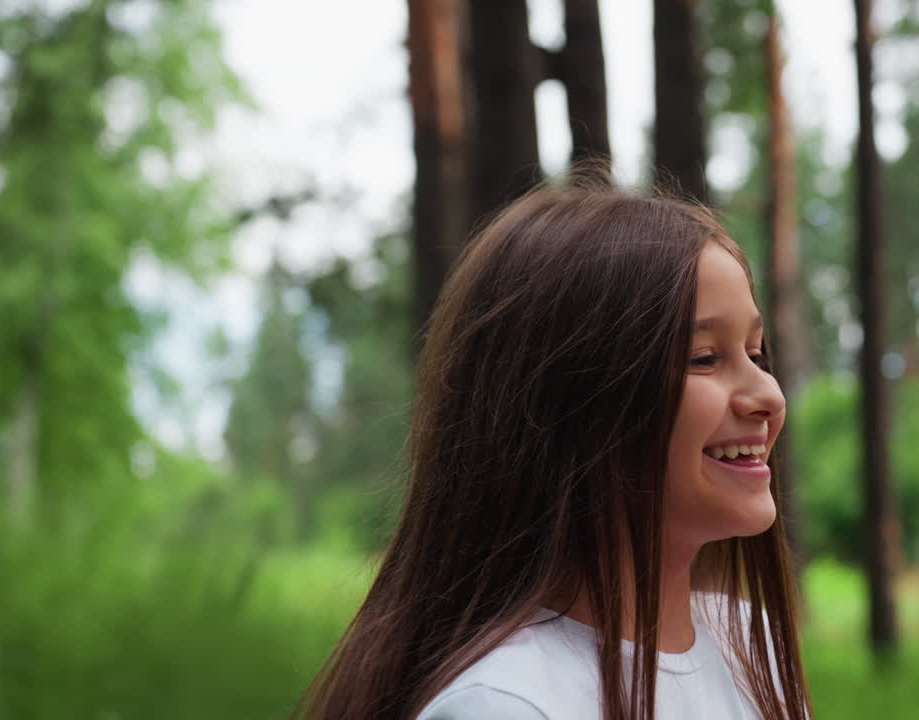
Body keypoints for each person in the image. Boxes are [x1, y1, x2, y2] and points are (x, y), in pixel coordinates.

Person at [299, 181, 811, 720]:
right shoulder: (505, 705)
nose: (769, 396)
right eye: (704, 358)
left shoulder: (751, 649)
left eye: (756, 353)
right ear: (572, 404)